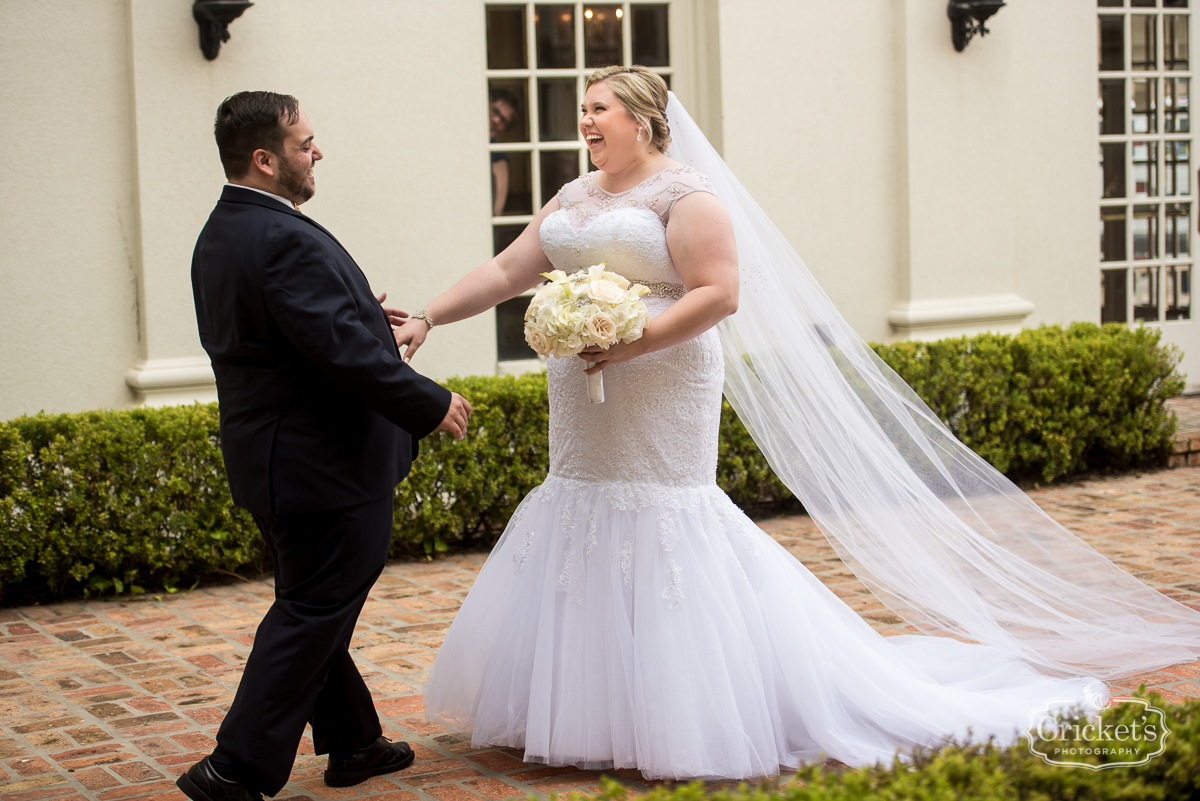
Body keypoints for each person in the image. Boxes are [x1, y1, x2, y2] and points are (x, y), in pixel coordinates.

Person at [402, 67, 1200, 778]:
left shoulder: (686, 196)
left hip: (662, 378)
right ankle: (595, 706)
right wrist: (431, 317)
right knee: (581, 501)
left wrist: (632, 338)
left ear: (640, 121)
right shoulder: (575, 197)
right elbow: (512, 269)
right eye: (584, 110)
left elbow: (719, 293)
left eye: (598, 108)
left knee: (666, 515)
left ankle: (695, 707)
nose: (585, 121)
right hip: (584, 390)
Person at [184, 91, 473, 801]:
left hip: (277, 462)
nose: (318, 151)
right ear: (264, 157)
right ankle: (234, 767)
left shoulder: (226, 229)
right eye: (305, 141)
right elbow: (339, 353)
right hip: (324, 467)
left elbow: (288, 330)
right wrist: (429, 401)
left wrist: (362, 313)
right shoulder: (280, 235)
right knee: (315, 607)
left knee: (317, 600)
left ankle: (354, 742)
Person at [489, 89, 519, 216]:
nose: (496, 120)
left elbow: (497, 209)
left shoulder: (497, 153)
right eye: (495, 111)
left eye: (503, 121)